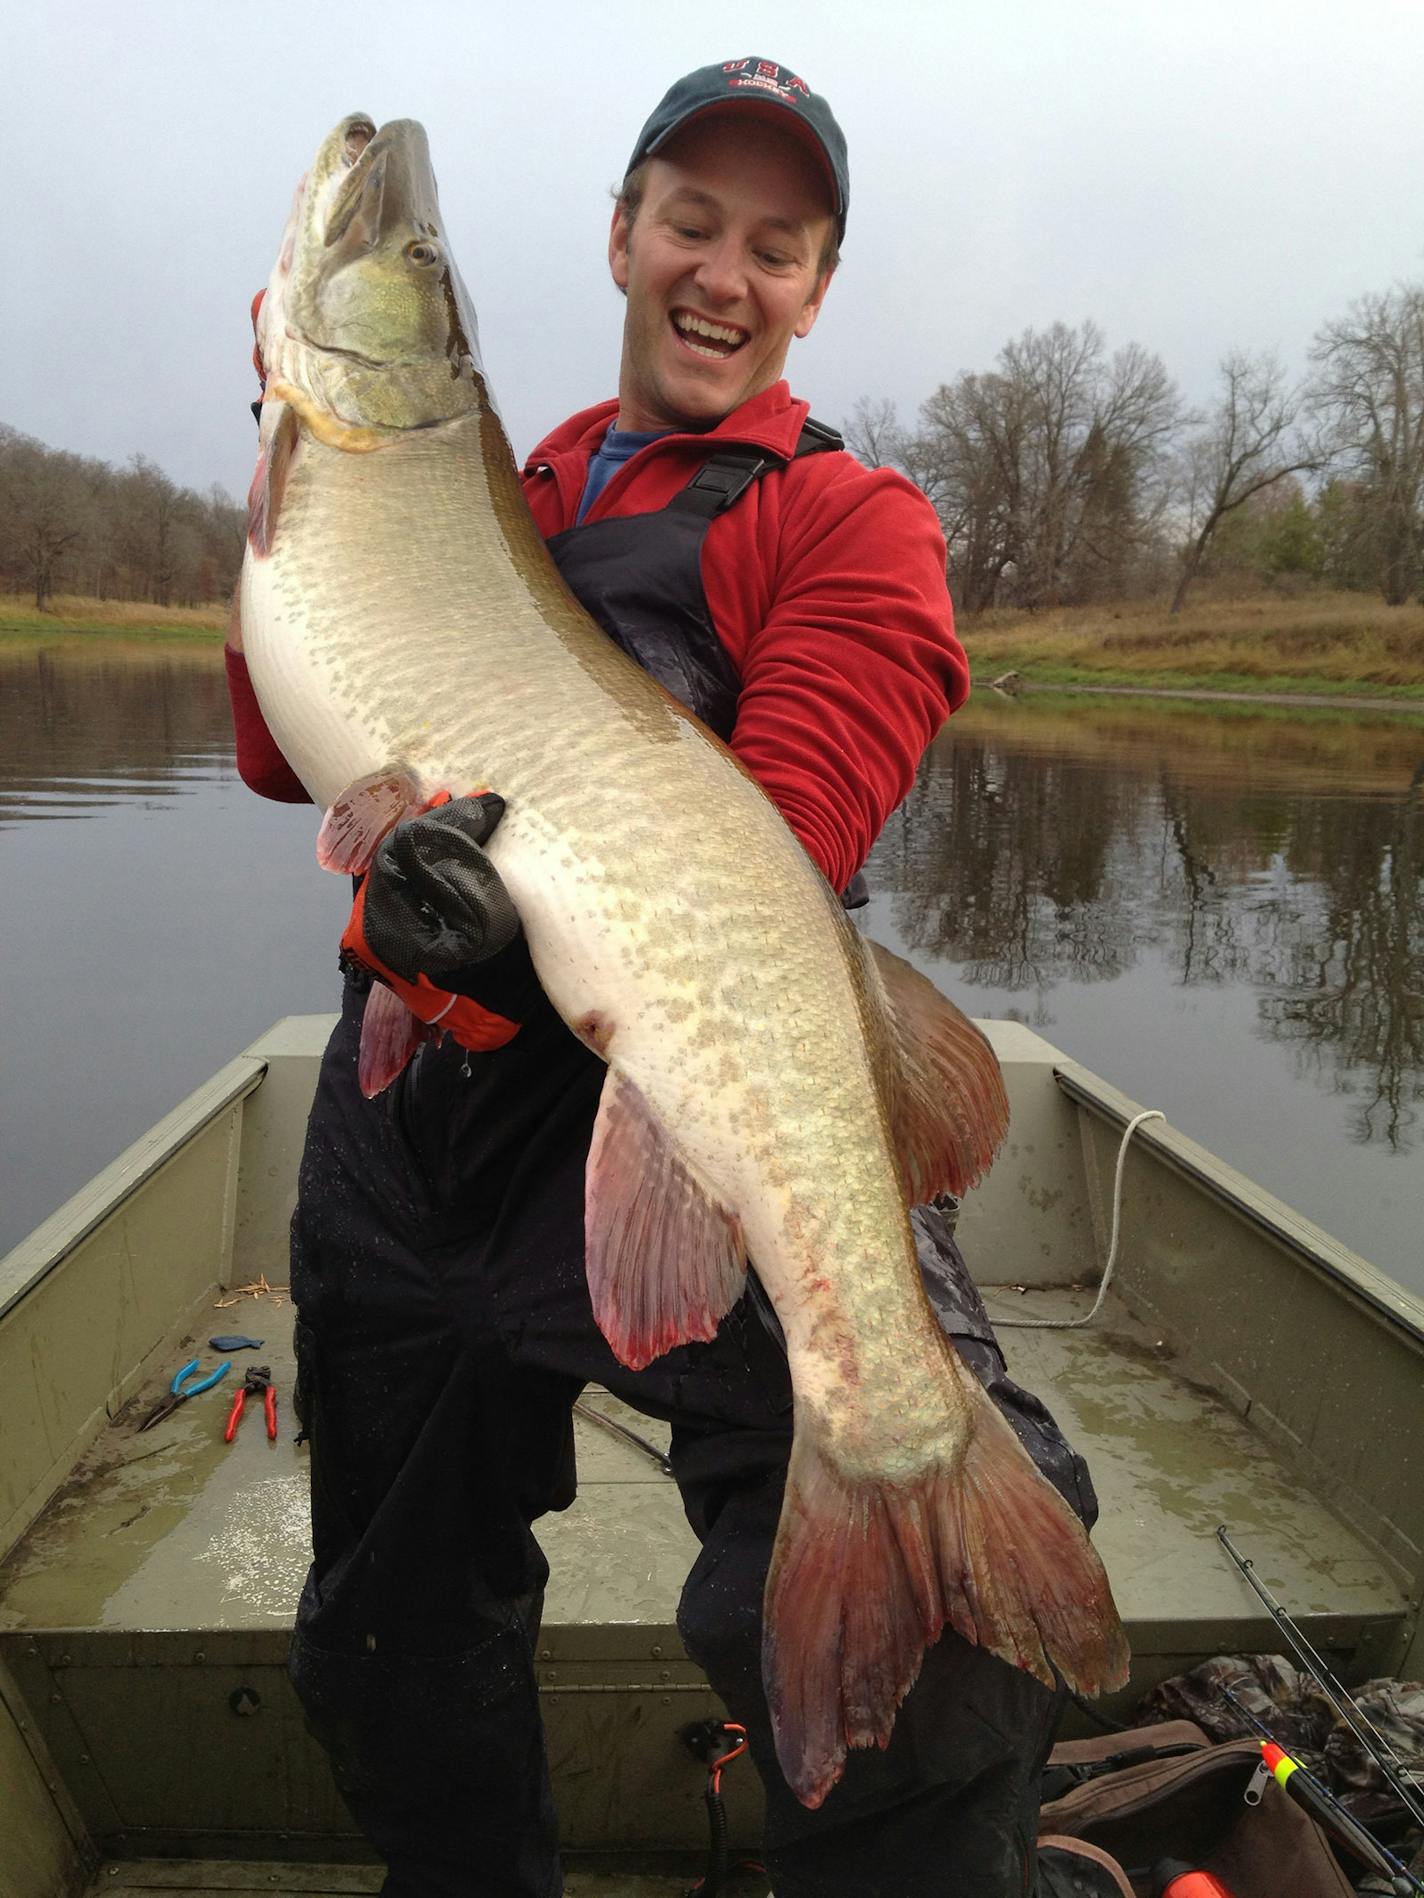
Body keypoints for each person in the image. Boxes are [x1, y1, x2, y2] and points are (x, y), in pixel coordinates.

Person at [226, 56, 1102, 1898]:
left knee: (933, 1688)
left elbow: (784, 839)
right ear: (622, 237)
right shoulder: (497, 480)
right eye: (690, 223)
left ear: (816, 286)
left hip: (679, 1069)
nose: (723, 271)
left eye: (773, 246)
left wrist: (550, 921)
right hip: (407, 1131)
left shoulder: (850, 520)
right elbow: (273, 735)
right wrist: (289, 481)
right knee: (390, 1628)